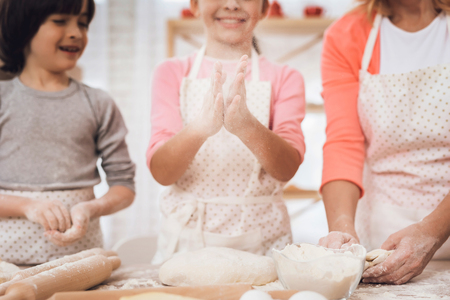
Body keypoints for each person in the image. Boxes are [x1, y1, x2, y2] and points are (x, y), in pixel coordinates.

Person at [147, 0, 306, 264]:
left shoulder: (286, 77)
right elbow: (162, 173)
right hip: (186, 245)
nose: (232, 4)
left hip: (263, 245)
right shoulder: (171, 73)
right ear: (195, 5)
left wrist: (246, 126)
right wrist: (199, 129)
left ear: (265, 8)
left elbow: (287, 168)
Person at [319, 0, 450, 284]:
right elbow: (344, 142)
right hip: (383, 230)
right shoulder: (347, 34)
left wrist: (434, 229)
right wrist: (342, 226)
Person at [0, 0, 136, 264]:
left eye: (83, 23)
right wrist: (28, 207)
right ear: (25, 26)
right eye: (60, 20)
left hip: (80, 264)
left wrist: (91, 208)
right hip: (5, 266)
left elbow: (124, 187)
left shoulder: (98, 103)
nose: (76, 32)